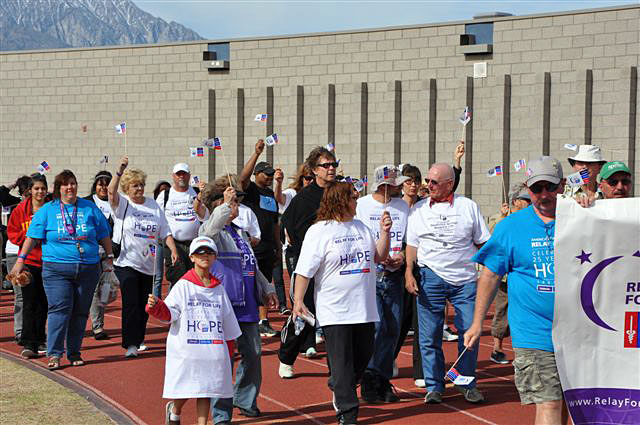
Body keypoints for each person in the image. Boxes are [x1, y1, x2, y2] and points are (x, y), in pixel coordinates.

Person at [465, 156, 566, 425]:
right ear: (527, 188)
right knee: (549, 403)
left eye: (550, 187)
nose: (544, 195)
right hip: (534, 332)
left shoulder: (581, 217)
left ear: (563, 186)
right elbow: (490, 274)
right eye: (536, 189)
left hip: (579, 331)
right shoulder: (511, 227)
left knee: (570, 403)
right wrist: (477, 323)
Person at [293, 181, 392, 425]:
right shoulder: (320, 231)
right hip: (335, 309)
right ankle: (347, 412)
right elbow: (304, 271)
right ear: (340, 201)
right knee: (343, 363)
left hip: (364, 308)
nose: (357, 200)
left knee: (362, 356)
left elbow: (379, 256)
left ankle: (339, 384)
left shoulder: (361, 227)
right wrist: (297, 300)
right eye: (353, 197)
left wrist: (385, 232)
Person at [405, 163, 491, 404]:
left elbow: (483, 243)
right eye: (427, 181)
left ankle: (466, 382)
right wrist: (409, 272)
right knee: (429, 335)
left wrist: (490, 273)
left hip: (464, 280)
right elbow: (412, 246)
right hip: (429, 277)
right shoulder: (418, 210)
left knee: (469, 333)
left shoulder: (468, 207)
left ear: (449, 184)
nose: (428, 186)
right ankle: (434, 386)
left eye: (434, 182)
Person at [10, 169, 113, 370]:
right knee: (59, 309)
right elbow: (31, 237)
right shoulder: (48, 210)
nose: (70, 188)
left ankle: (74, 352)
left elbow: (103, 234)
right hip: (56, 269)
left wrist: (109, 259)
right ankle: (55, 353)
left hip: (87, 268)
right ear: (58, 189)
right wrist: (20, 260)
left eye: (73, 183)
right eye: (65, 184)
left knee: (80, 312)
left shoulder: (89, 208)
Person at [198, 176, 278, 423]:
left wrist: (267, 287)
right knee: (222, 361)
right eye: (234, 202)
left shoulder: (240, 234)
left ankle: (244, 399)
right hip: (223, 307)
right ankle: (221, 413)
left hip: (248, 306)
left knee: (253, 355)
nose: (237, 207)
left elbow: (250, 263)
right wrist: (225, 204)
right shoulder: (211, 231)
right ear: (218, 204)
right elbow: (209, 231)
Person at [147, 236, 241, 425]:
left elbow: (229, 325)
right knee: (187, 389)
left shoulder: (219, 289)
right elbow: (169, 314)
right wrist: (156, 306)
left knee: (206, 390)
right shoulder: (183, 285)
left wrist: (228, 353)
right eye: (200, 252)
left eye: (209, 252)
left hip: (212, 350)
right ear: (192, 257)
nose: (204, 256)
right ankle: (175, 409)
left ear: (215, 257)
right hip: (188, 349)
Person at [108, 157, 178, 358]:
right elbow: (111, 193)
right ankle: (130, 344)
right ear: (127, 188)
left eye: (141, 185)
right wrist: (120, 170)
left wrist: (172, 250)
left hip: (148, 263)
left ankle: (138, 339)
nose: (139, 189)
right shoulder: (123, 204)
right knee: (131, 303)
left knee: (145, 305)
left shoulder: (153, 206)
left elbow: (165, 230)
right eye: (135, 186)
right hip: (126, 262)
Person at [278, 146, 337, 378]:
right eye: (326, 165)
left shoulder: (341, 191)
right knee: (304, 313)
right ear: (314, 170)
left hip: (337, 266)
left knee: (335, 315)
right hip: (311, 265)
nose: (331, 168)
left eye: (333, 164)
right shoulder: (304, 198)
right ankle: (286, 356)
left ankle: (339, 367)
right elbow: (289, 228)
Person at [356, 165, 410, 403]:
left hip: (394, 275)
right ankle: (368, 378)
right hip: (370, 274)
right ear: (383, 185)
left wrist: (403, 257)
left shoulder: (402, 207)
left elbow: (410, 240)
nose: (400, 187)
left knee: (392, 327)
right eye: (396, 183)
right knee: (375, 329)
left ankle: (382, 376)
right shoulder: (362, 206)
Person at [237, 140, 281, 337]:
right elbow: (243, 179)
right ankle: (246, 319)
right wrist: (256, 154)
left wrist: (278, 247)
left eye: (272, 174)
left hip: (269, 247)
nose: (270, 177)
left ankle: (263, 320)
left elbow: (274, 222)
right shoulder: (251, 191)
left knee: (266, 283)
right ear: (258, 174)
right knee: (248, 282)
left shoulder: (270, 194)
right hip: (252, 247)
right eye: (266, 174)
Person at [486, 184, 531, 365]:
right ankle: (497, 348)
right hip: (505, 276)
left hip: (524, 275)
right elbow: (492, 237)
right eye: (525, 200)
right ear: (515, 202)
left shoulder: (532, 218)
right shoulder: (500, 219)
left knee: (524, 312)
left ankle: (523, 351)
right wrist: (504, 217)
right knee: (502, 310)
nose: (529, 203)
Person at [7, 173, 48, 358]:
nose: (40, 192)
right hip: (28, 261)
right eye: (36, 188)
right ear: (30, 190)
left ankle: (41, 339)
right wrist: (29, 241)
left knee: (45, 302)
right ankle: (29, 342)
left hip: (49, 261)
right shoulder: (20, 210)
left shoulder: (53, 208)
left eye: (43, 188)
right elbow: (12, 232)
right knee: (29, 302)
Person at [157, 163, 209, 292]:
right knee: (177, 280)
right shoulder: (165, 195)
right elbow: (158, 219)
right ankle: (174, 310)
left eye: (184, 174)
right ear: (173, 176)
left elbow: (205, 217)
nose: (181, 177)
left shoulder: (197, 193)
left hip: (194, 244)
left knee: (196, 279)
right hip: (174, 244)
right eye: (178, 174)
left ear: (189, 176)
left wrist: (202, 196)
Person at [84, 170, 114, 341]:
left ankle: (98, 324)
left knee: (105, 291)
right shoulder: (87, 203)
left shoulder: (118, 203)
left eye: (107, 183)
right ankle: (95, 326)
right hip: (90, 254)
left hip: (110, 254)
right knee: (92, 290)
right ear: (95, 186)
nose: (103, 187)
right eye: (100, 184)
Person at [151, 180, 171, 298]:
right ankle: (156, 301)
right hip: (157, 242)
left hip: (169, 242)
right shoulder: (154, 205)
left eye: (166, 190)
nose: (164, 192)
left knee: (172, 274)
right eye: (161, 190)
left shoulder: (173, 203)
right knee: (157, 276)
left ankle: (169, 301)